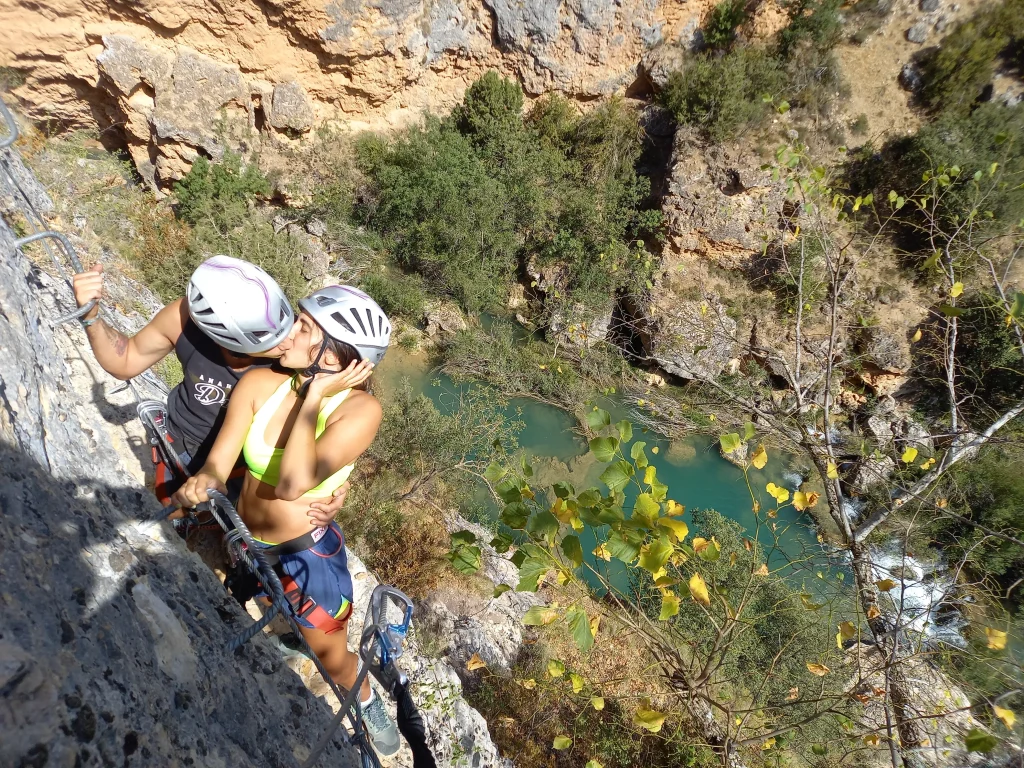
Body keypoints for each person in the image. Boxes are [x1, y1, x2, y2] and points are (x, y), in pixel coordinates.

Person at [172, 285, 400, 756]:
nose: (287, 332)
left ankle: (363, 696)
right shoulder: (263, 383)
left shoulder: (360, 410)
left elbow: (295, 483)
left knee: (331, 656)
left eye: (304, 329)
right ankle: (291, 634)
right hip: (250, 538)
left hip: (304, 556)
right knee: (259, 599)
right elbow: (221, 460)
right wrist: (205, 480)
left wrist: (314, 396)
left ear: (336, 359)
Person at [72, 256, 347, 526]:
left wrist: (332, 485)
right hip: (178, 440)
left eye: (290, 324)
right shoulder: (183, 321)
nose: (289, 338)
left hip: (242, 469)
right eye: (272, 338)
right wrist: (91, 317)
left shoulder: (296, 354)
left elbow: (343, 402)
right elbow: (126, 360)